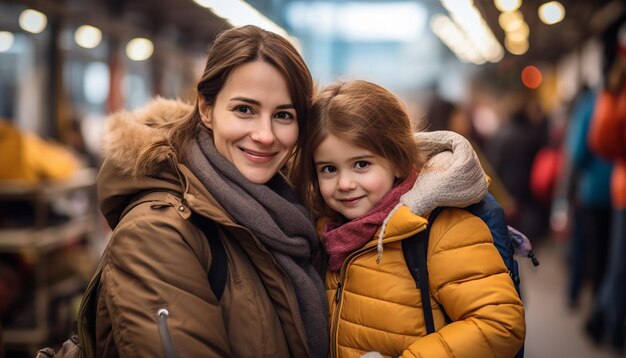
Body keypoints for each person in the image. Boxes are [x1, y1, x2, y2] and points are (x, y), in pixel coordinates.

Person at [88, 25, 327, 357]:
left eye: (283, 115)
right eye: (245, 109)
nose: (265, 135)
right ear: (205, 108)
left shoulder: (292, 213)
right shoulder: (158, 233)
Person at [291, 80, 525, 357]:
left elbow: (500, 324)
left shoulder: (444, 229)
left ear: (399, 162)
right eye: (329, 169)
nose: (344, 183)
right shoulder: (330, 234)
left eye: (361, 164)